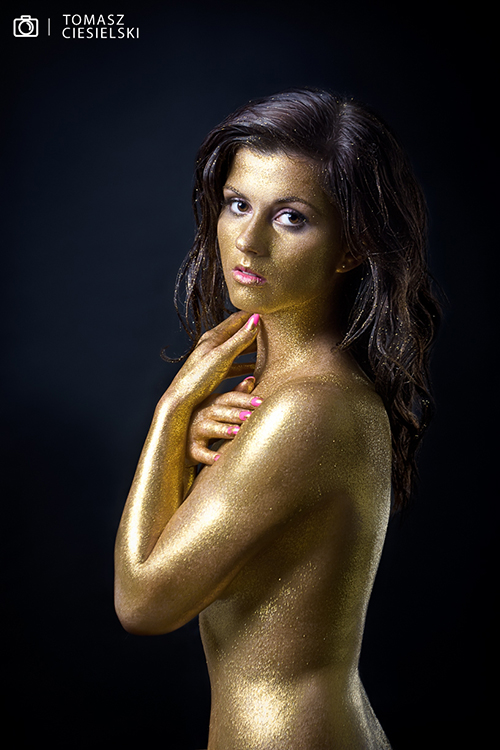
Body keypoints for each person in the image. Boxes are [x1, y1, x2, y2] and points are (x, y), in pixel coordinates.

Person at [114, 88, 440, 749]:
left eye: (291, 217)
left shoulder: (308, 408)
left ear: (351, 246)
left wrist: (170, 415)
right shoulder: (289, 393)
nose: (248, 240)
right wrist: (184, 450)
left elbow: (143, 603)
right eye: (238, 204)